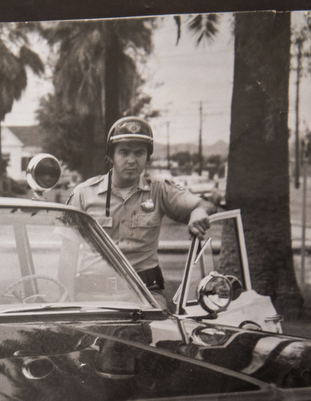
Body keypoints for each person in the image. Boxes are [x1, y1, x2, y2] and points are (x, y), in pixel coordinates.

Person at [68, 116, 216, 310]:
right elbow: (68, 251)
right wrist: (67, 295)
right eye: (124, 152)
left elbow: (204, 204)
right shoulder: (84, 194)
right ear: (111, 157)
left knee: (160, 335)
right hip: (91, 294)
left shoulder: (159, 190)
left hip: (145, 294)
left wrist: (199, 212)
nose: (131, 160)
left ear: (147, 157)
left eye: (139, 153)